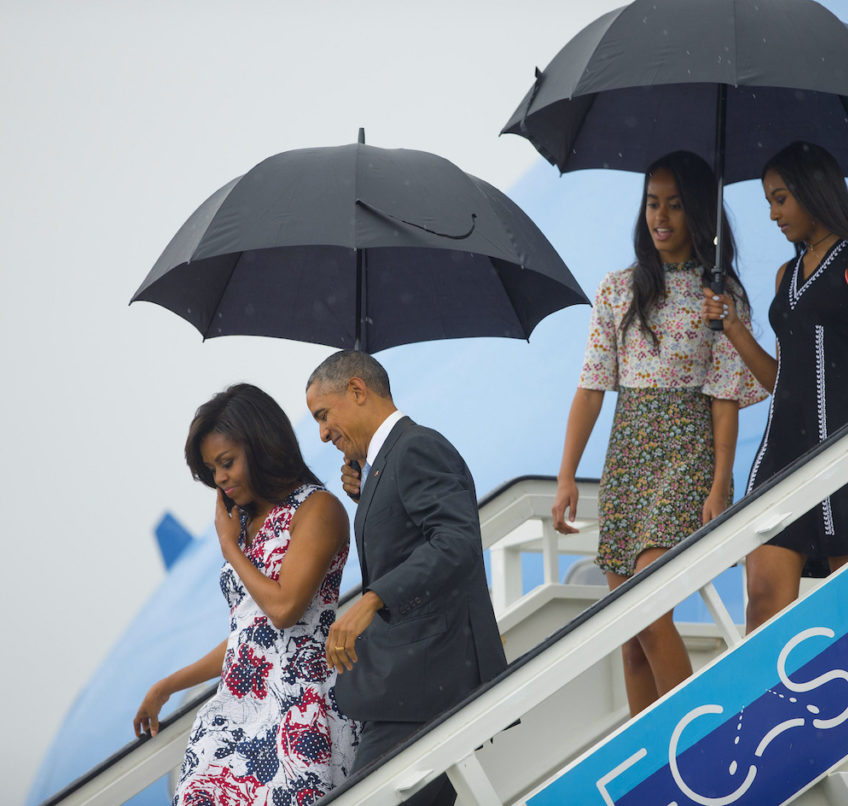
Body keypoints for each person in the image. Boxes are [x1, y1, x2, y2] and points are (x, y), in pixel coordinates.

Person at [552, 151, 767, 717]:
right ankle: (654, 769)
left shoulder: (721, 295)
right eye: (653, 203)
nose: (661, 216)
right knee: (629, 638)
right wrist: (567, 475)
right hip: (626, 455)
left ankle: (697, 739)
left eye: (675, 204)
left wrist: (721, 486)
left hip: (686, 451)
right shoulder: (617, 289)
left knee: (648, 607)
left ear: (699, 212)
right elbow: (592, 387)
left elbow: (726, 400)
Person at [702, 140, 848, 634]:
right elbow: (782, 381)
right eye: (767, 202)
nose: (773, 214)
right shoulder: (785, 275)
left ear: (812, 191)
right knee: (762, 598)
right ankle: (769, 707)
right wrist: (736, 328)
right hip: (782, 453)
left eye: (780, 198)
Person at [133, 383, 359, 804]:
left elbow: (285, 609)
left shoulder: (317, 509)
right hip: (236, 710)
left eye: (227, 462)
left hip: (300, 705)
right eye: (211, 469)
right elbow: (249, 635)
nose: (219, 479)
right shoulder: (242, 525)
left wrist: (230, 550)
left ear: (261, 446)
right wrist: (169, 685)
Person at [305, 350, 507, 806]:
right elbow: (411, 542)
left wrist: (372, 600)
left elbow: (456, 542)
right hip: (413, 683)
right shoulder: (384, 463)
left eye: (323, 415)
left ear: (357, 391)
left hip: (427, 682)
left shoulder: (416, 447)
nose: (321, 434)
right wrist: (368, 495)